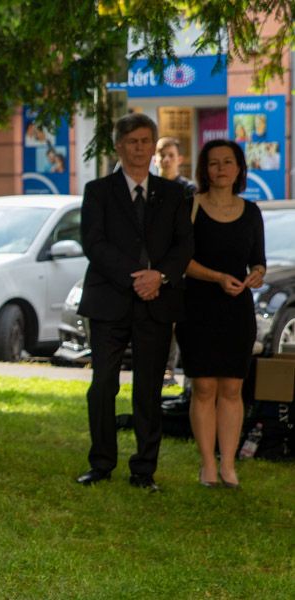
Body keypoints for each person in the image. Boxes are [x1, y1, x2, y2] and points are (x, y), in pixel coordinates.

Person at [76, 113, 193, 492]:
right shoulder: (98, 191)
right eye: (132, 141)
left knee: (149, 388)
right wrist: (136, 277)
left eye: (145, 141)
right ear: (119, 147)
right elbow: (93, 243)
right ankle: (101, 463)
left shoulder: (174, 194)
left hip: (157, 302)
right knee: (103, 385)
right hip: (109, 301)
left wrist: (159, 276)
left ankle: (144, 468)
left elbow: (184, 246)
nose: (139, 148)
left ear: (153, 146)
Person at [175, 140, 266, 489]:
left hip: (237, 308)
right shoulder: (190, 206)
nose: (221, 168)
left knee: (232, 387)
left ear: (239, 168)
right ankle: (207, 465)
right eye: (214, 163)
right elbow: (180, 260)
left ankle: (228, 465)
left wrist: (256, 274)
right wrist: (216, 277)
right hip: (198, 306)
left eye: (228, 162)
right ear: (205, 169)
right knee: (203, 387)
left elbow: (258, 260)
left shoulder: (251, 211)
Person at [153, 136, 196, 386]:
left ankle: (179, 371)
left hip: (182, 268)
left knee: (180, 322)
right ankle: (163, 370)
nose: (167, 160)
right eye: (162, 155)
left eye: (171, 155)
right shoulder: (150, 188)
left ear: (180, 159)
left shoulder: (189, 190)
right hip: (156, 267)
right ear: (155, 158)